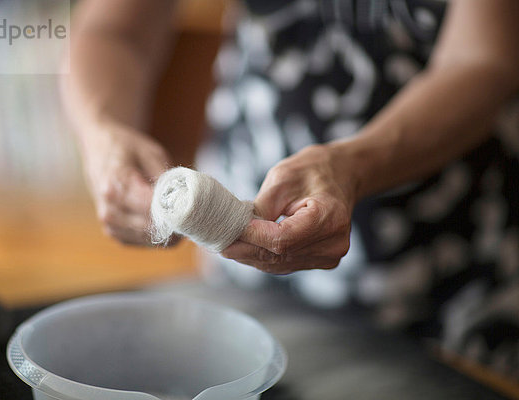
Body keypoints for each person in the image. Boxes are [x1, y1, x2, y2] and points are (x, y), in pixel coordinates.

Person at [62, 0, 519, 379]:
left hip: (452, 269)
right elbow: (112, 29)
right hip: (247, 268)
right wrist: (103, 135)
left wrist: (352, 166)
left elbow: (483, 60)